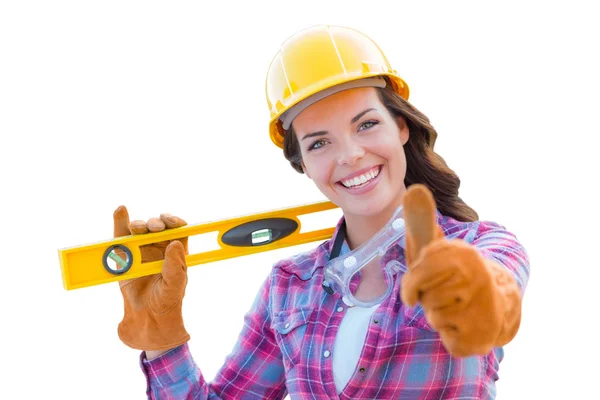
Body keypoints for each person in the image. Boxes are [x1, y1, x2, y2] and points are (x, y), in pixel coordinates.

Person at [113, 25, 530, 399]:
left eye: (366, 124)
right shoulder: (289, 289)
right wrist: (162, 336)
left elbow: (497, 295)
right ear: (302, 165)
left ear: (401, 126)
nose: (350, 155)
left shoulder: (482, 245)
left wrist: (465, 289)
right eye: (318, 143)